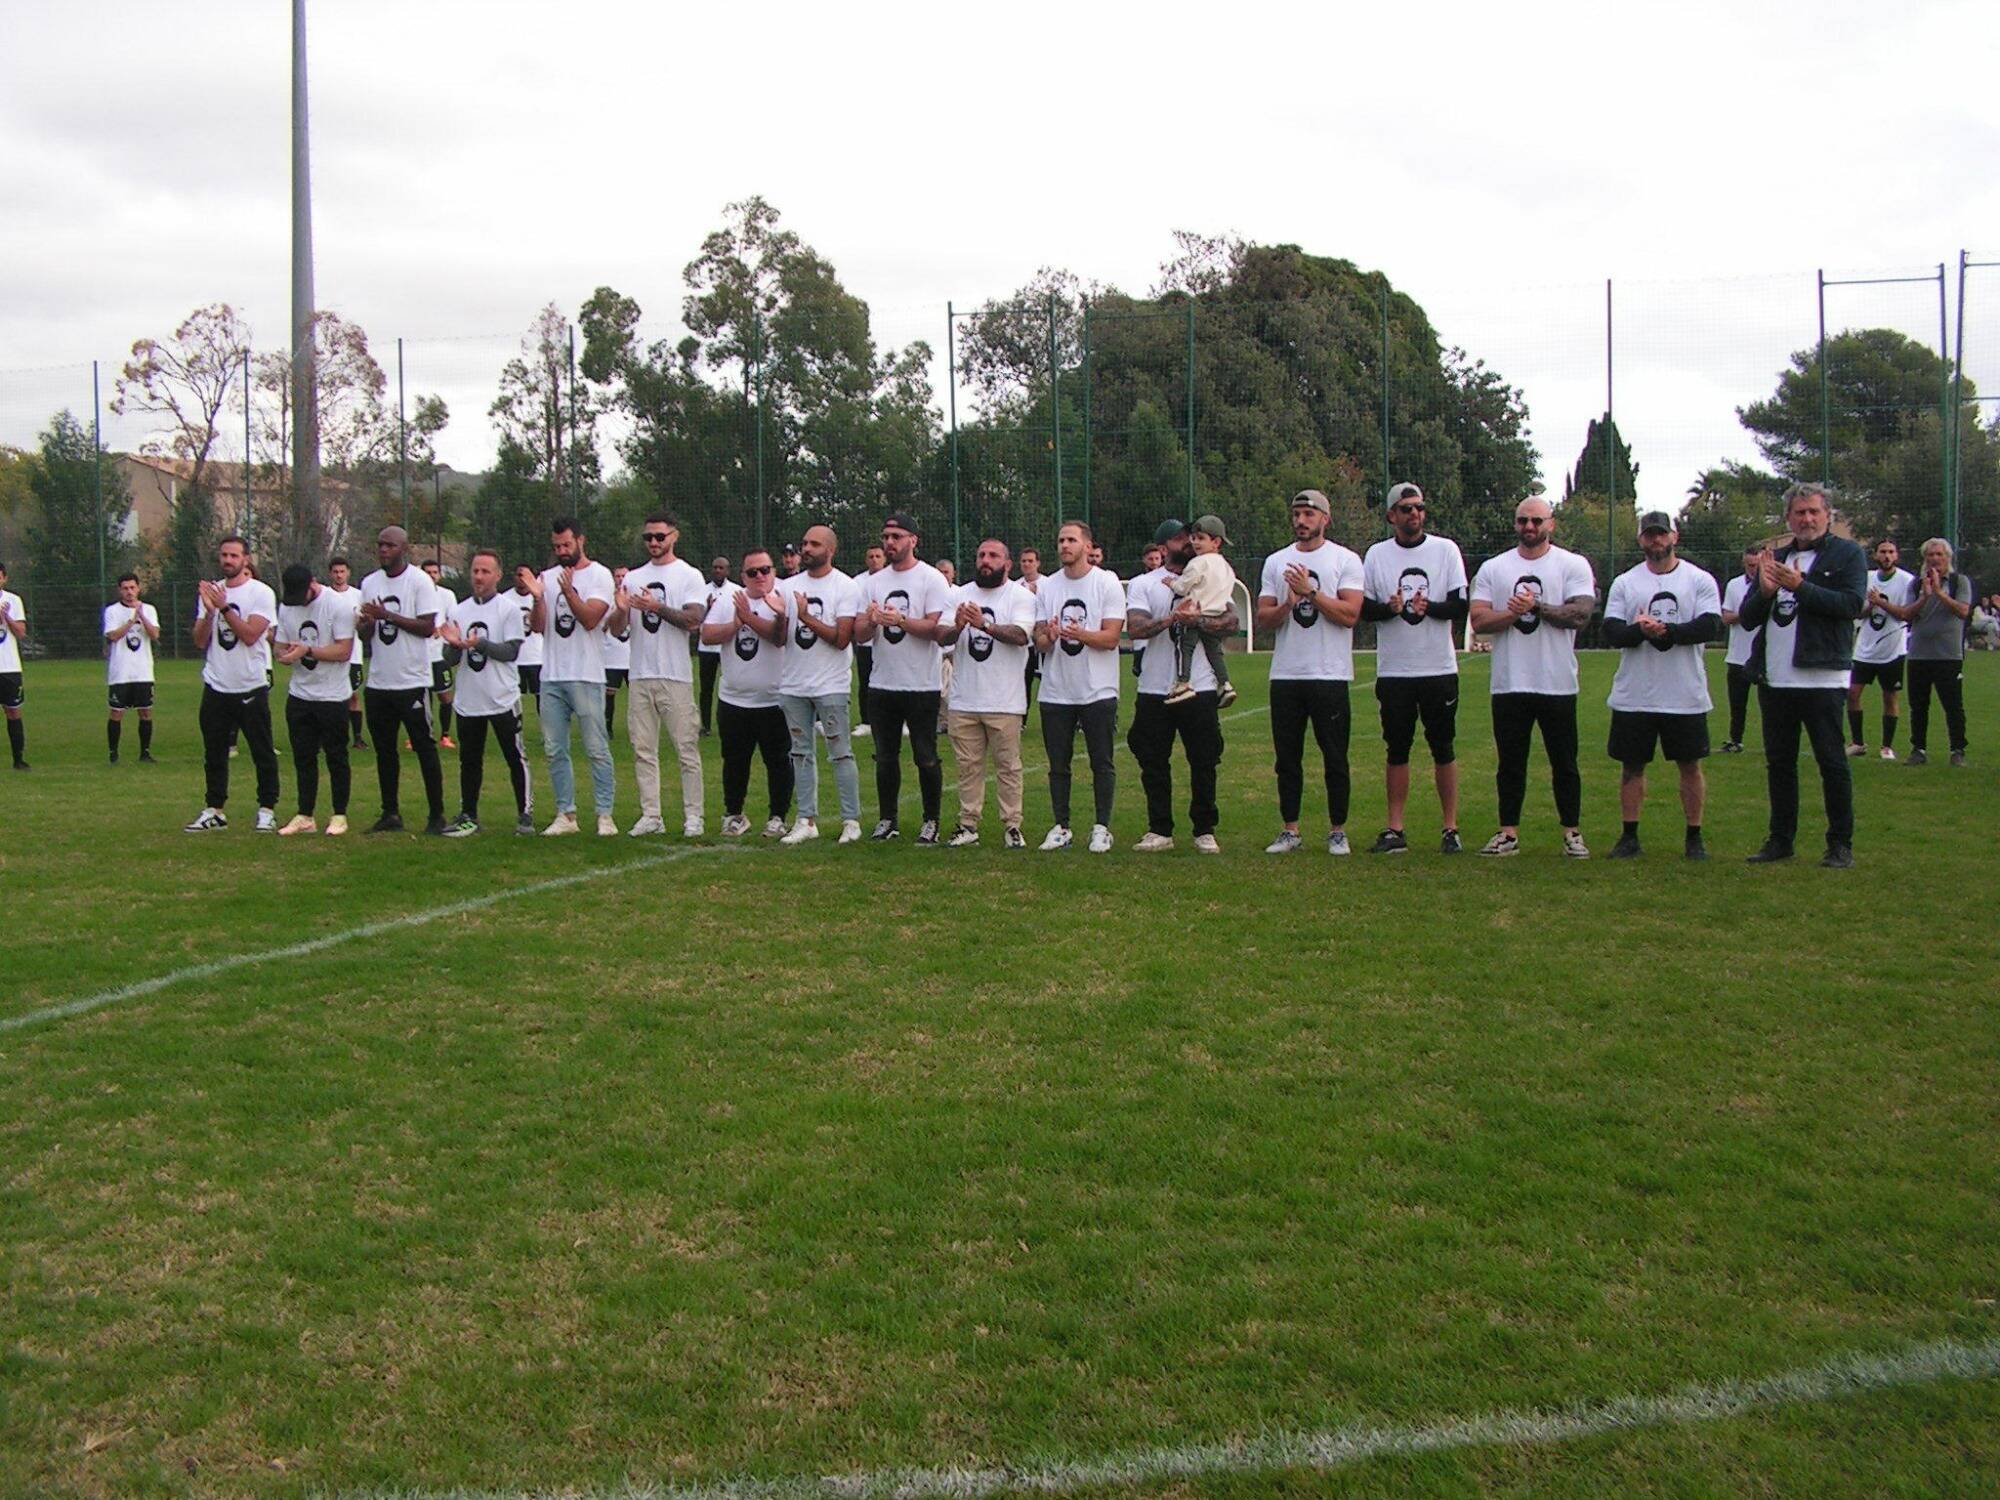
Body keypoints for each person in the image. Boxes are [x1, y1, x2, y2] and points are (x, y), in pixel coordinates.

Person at [1737, 481, 1867, 867]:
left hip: (1821, 677)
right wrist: (1764, 592)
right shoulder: (1775, 557)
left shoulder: (1847, 554)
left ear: (1828, 515)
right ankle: (1780, 840)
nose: (1807, 519)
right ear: (1788, 518)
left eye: (1814, 512)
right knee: (1780, 763)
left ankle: (1840, 844)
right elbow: (1747, 618)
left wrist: (1801, 587)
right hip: (1775, 678)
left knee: (1832, 762)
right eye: (1799, 513)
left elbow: (1851, 604)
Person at [1468, 495, 1597, 858]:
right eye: (1523, 520)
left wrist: (1536, 606)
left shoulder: (1572, 564)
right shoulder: (1495, 568)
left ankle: (1572, 833)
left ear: (1551, 524)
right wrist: (1513, 614)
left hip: (1557, 682)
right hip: (1510, 682)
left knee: (1564, 762)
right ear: (1515, 524)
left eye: (1537, 520)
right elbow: (1479, 619)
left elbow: (1580, 615)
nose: (1529, 526)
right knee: (1510, 763)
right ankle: (1508, 833)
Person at [1599, 512, 1722, 860]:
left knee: (1690, 766)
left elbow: (1710, 625)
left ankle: (1694, 836)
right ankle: (1629, 836)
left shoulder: (1698, 580)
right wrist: (1640, 631)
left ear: (1674, 537)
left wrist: (1667, 631)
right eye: (1650, 535)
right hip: (1635, 694)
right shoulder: (1626, 582)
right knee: (1631, 766)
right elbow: (1612, 631)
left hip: (1684, 693)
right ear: (1640, 539)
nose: (1656, 541)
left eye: (1662, 534)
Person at [1360, 482, 1468, 853]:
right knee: (1397, 749)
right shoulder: (1377, 555)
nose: (1414, 514)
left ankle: (1450, 828)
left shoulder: (1445, 550)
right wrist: (1389, 609)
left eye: (1419, 507)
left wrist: (1430, 607)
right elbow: (1363, 610)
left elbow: (1460, 606)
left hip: (1438, 668)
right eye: (1406, 508)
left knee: (1443, 747)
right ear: (1392, 515)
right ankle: (1395, 829)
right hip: (1395, 671)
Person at [1256, 489, 1365, 854]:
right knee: (1287, 759)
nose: (1301, 521)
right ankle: (1290, 830)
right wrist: (1288, 604)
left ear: (1325, 519)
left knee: (1335, 756)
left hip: (1329, 674)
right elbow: (1264, 618)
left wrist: (1311, 592)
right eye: (1296, 514)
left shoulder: (1345, 560)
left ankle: (1337, 831)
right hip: (1287, 675)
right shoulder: (1276, 562)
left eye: (1308, 514)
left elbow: (1350, 615)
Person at [1127, 519, 1236, 852]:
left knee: (1205, 759)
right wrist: (1173, 618)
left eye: (1192, 536)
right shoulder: (1145, 584)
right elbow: (1136, 628)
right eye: (1179, 539)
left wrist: (1198, 620)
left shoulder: (1209, 572)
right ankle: (1160, 829)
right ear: (1163, 548)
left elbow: (1232, 622)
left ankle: (1204, 829)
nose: (1189, 542)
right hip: (1155, 686)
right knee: (1152, 760)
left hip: (1199, 686)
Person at [854, 512, 951, 844]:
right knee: (885, 757)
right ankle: (887, 819)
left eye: (896, 537)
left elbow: (937, 629)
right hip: (883, 684)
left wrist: (901, 620)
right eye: (886, 537)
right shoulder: (873, 582)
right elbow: (860, 634)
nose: (889, 542)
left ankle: (931, 820)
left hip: (921, 685)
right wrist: (871, 621)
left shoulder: (931, 579)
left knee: (925, 756)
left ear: (913, 540)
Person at [611, 516, 707, 837]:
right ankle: (651, 815)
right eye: (648, 537)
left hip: (675, 675)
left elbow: (694, 620)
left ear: (674, 536)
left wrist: (656, 607)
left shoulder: (689, 575)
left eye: (659, 536)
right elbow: (616, 630)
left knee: (686, 749)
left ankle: (693, 816)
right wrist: (621, 609)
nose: (653, 542)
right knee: (643, 750)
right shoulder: (633, 577)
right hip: (640, 673)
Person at [936, 537, 1034, 848]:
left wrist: (985, 625)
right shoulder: (958, 594)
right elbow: (941, 636)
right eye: (981, 555)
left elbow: (1021, 635)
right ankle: (968, 825)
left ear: (1007, 564)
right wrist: (958, 626)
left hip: (1004, 700)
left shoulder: (1020, 596)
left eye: (993, 556)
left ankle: (1012, 826)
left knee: (1008, 767)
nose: (985, 561)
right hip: (964, 699)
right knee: (968, 767)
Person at [524, 515, 619, 836]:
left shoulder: (599, 575)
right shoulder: (547, 577)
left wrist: (568, 592)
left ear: (581, 540)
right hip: (551, 675)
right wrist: (538, 597)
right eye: (557, 547)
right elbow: (538, 627)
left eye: (566, 544)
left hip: (587, 675)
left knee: (596, 748)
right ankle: (566, 814)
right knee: (554, 749)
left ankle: (605, 815)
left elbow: (591, 619)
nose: (562, 551)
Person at [1033, 520, 1125, 852]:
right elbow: (1039, 641)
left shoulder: (1107, 582)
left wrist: (1080, 634)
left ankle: (1102, 827)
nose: (1064, 546)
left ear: (1087, 545)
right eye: (1061, 540)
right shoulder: (1047, 586)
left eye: (1071, 540)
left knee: (1101, 761)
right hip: (1056, 690)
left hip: (1097, 689)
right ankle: (1062, 826)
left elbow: (1111, 638)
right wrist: (1050, 635)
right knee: (1058, 764)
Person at [774, 523, 864, 845]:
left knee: (840, 753)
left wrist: (806, 616)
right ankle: (806, 820)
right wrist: (780, 617)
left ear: (831, 550)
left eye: (814, 544)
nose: (807, 549)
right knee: (800, 753)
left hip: (831, 685)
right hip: (793, 684)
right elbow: (778, 639)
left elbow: (841, 639)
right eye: (805, 543)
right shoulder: (787, 586)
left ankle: (851, 821)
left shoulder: (845, 586)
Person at [184, 536, 280, 831]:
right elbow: (200, 641)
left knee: (262, 751)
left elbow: (251, 635)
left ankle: (267, 809)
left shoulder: (261, 592)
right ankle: (215, 810)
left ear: (246, 559)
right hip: (217, 684)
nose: (227, 560)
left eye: (234, 555)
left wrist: (224, 607)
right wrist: (210, 611)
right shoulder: (213, 592)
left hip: (250, 685)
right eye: (224, 555)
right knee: (214, 753)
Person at [357, 525, 447, 835]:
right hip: (379, 681)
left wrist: (388, 616)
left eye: (390, 545)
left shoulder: (420, 582)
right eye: (380, 544)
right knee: (385, 751)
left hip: (412, 680)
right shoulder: (369, 582)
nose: (383, 550)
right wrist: (367, 623)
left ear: (404, 549)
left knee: (424, 747)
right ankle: (390, 813)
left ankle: (436, 815)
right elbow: (365, 634)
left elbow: (427, 627)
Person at [438, 548, 533, 836]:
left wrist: (480, 644)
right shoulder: (459, 610)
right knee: (469, 760)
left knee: (514, 757)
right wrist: (455, 645)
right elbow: (450, 659)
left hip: (502, 697)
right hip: (469, 700)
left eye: (485, 572)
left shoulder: (508, 610)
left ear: (498, 575)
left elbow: (511, 651)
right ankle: (469, 815)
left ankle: (525, 814)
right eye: (475, 571)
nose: (479, 577)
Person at [701, 547, 793, 838]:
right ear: (743, 576)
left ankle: (777, 817)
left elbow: (779, 638)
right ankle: (734, 814)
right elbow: (707, 635)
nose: (760, 576)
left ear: (773, 572)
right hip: (734, 699)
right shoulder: (729, 599)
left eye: (765, 570)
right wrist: (736, 623)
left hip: (774, 699)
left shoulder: (782, 599)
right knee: (735, 762)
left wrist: (750, 618)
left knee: (778, 761)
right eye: (753, 572)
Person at [272, 562, 356, 836]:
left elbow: (343, 651)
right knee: (303, 757)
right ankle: (305, 814)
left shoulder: (338, 605)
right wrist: (284, 655)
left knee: (336, 756)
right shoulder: (287, 607)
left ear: (312, 584)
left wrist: (307, 651)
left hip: (332, 695)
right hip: (300, 694)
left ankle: (339, 815)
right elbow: (280, 646)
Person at [1903, 536, 1975, 767]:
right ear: (1925, 558)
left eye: (1939, 554)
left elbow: (1963, 611)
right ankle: (1918, 749)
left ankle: (1957, 750)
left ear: (1947, 558)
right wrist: (1925, 596)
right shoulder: (1916, 584)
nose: (1935, 559)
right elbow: (1906, 614)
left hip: (1948, 655)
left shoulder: (1958, 582)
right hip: (1919, 654)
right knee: (1918, 705)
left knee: (1953, 705)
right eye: (1930, 555)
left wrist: (1940, 593)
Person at [1847, 538, 1916, 759]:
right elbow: (1856, 612)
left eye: (1891, 552)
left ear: (1897, 555)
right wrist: (1870, 606)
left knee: (1890, 697)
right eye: (1883, 552)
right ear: (1875, 555)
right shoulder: (1866, 578)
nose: (1887, 556)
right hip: (1865, 648)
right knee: (1852, 693)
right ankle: (1857, 743)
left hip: (1892, 649)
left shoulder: (1907, 581)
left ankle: (1887, 746)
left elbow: (1905, 614)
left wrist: (1880, 602)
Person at [1162, 515, 1239, 707]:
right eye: (1194, 538)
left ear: (1216, 542)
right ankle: (1225, 683)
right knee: (1214, 652)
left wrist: (1171, 583)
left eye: (1201, 538)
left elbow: (1183, 587)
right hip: (1215, 615)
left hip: (1193, 614)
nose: (1195, 542)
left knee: (1184, 647)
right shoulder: (1226, 566)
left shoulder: (1198, 563)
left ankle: (1183, 683)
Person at [103, 572, 160, 764]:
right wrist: (130, 621)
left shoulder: (149, 609)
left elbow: (154, 635)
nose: (129, 592)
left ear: (138, 588)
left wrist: (141, 616)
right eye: (125, 588)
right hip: (121, 671)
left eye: (132, 588)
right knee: (117, 712)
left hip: (143, 671)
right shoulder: (112, 611)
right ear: (120, 590)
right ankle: (113, 754)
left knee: (145, 711)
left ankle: (145, 753)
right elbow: (113, 636)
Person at [1716, 548, 1762, 753]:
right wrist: (1747, 612)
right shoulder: (1734, 585)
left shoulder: (1772, 585)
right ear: (1744, 563)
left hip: (1763, 655)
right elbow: (1726, 618)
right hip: (1737, 655)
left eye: (1757, 565)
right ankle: (1736, 740)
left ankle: (1775, 741)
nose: (1754, 569)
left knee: (1771, 704)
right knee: (1737, 703)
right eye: (1750, 565)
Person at [326, 555, 368, 749]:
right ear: (330, 574)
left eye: (342, 571)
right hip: (330, 655)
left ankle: (357, 737)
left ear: (348, 573)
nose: (339, 575)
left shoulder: (358, 596)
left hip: (353, 655)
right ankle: (327, 737)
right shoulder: (325, 596)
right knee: (329, 696)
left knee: (353, 695)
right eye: (335, 572)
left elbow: (365, 622)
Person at [420, 558, 457, 748]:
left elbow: (454, 621)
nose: (432, 576)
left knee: (445, 696)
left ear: (439, 575)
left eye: (435, 572)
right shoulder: (415, 594)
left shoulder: (447, 595)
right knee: (421, 698)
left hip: (439, 654)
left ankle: (445, 735)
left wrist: (440, 630)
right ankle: (422, 734)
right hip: (419, 656)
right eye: (428, 572)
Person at [697, 554, 735, 737]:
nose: (718, 570)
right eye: (715, 567)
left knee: (729, 684)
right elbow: (695, 621)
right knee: (706, 687)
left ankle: (726, 721)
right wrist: (707, 609)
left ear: (728, 570)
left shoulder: (736, 591)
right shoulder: (702, 591)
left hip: (727, 645)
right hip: (706, 648)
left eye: (721, 568)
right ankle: (705, 725)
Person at [0, 563, 28, 771]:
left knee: (13, 712)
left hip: (9, 667)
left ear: (4, 578)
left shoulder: (13, 600)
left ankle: (18, 760)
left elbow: (21, 633)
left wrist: (6, 617)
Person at [514, 570, 543, 713]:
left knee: (541, 697)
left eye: (525, 576)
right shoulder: (505, 598)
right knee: (514, 699)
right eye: (519, 575)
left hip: (536, 657)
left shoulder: (540, 597)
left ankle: (545, 726)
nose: (522, 579)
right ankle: (516, 726)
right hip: (515, 659)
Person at [1018, 546, 1044, 707]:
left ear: (1038, 563)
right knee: (1023, 681)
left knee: (1048, 680)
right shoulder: (1015, 586)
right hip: (1025, 642)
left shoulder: (1047, 584)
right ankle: (1022, 715)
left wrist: (1036, 596)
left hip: (1044, 640)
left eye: (1030, 561)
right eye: (1024, 561)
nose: (1027, 564)